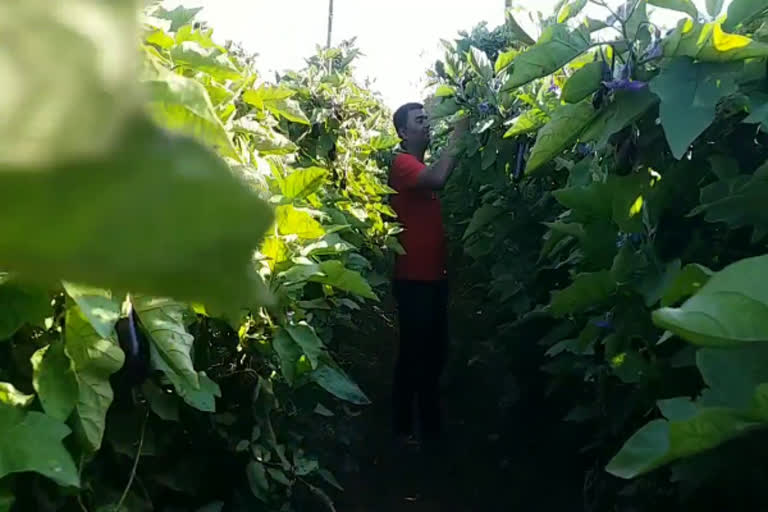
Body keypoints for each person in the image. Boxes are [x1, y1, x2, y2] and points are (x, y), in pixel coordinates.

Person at [388, 102, 468, 449]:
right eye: (420, 121)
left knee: (434, 352)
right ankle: (403, 428)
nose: (427, 125)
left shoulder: (416, 164)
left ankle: (430, 427)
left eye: (427, 119)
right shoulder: (403, 164)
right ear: (404, 133)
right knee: (414, 354)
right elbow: (439, 178)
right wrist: (459, 136)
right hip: (413, 278)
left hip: (433, 276)